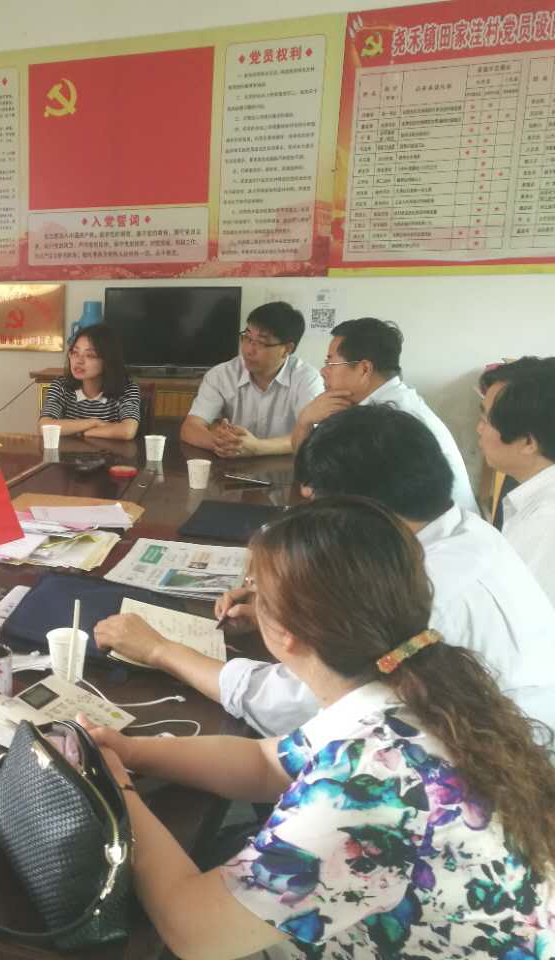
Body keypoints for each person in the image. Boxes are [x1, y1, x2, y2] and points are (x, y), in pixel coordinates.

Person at [80, 497, 555, 960]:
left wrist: (117, 790)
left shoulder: (371, 781)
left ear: (285, 632)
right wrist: (130, 751)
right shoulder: (419, 683)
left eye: (256, 590)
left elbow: (193, 932)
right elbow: (265, 762)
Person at [97, 405, 555, 738]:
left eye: (319, 505)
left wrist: (160, 649)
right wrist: (285, 612)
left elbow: (292, 704)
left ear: (362, 511)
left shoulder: (423, 592)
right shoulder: (467, 532)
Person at [291, 317, 479, 515]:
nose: (323, 371)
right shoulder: (385, 401)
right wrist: (305, 420)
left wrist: (305, 420)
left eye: (331, 362)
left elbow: (311, 484)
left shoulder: (389, 418)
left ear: (364, 369)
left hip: (434, 530)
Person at [180, 301, 323, 458]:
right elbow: (190, 427)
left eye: (260, 342)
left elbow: (315, 437)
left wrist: (258, 447)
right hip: (232, 466)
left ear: (287, 349)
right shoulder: (221, 374)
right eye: (247, 338)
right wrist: (221, 443)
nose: (248, 350)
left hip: (287, 468)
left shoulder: (307, 379)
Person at [478, 356, 555, 605]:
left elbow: (518, 617)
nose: (479, 430)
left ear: (528, 442)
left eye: (485, 420)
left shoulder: (544, 527)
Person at [38, 323, 141, 440]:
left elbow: (127, 431)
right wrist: (93, 422)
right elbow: (44, 427)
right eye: (75, 352)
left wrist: (83, 433)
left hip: (110, 452)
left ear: (108, 360)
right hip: (68, 452)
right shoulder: (61, 386)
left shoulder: (127, 389)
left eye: (90, 355)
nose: (79, 361)